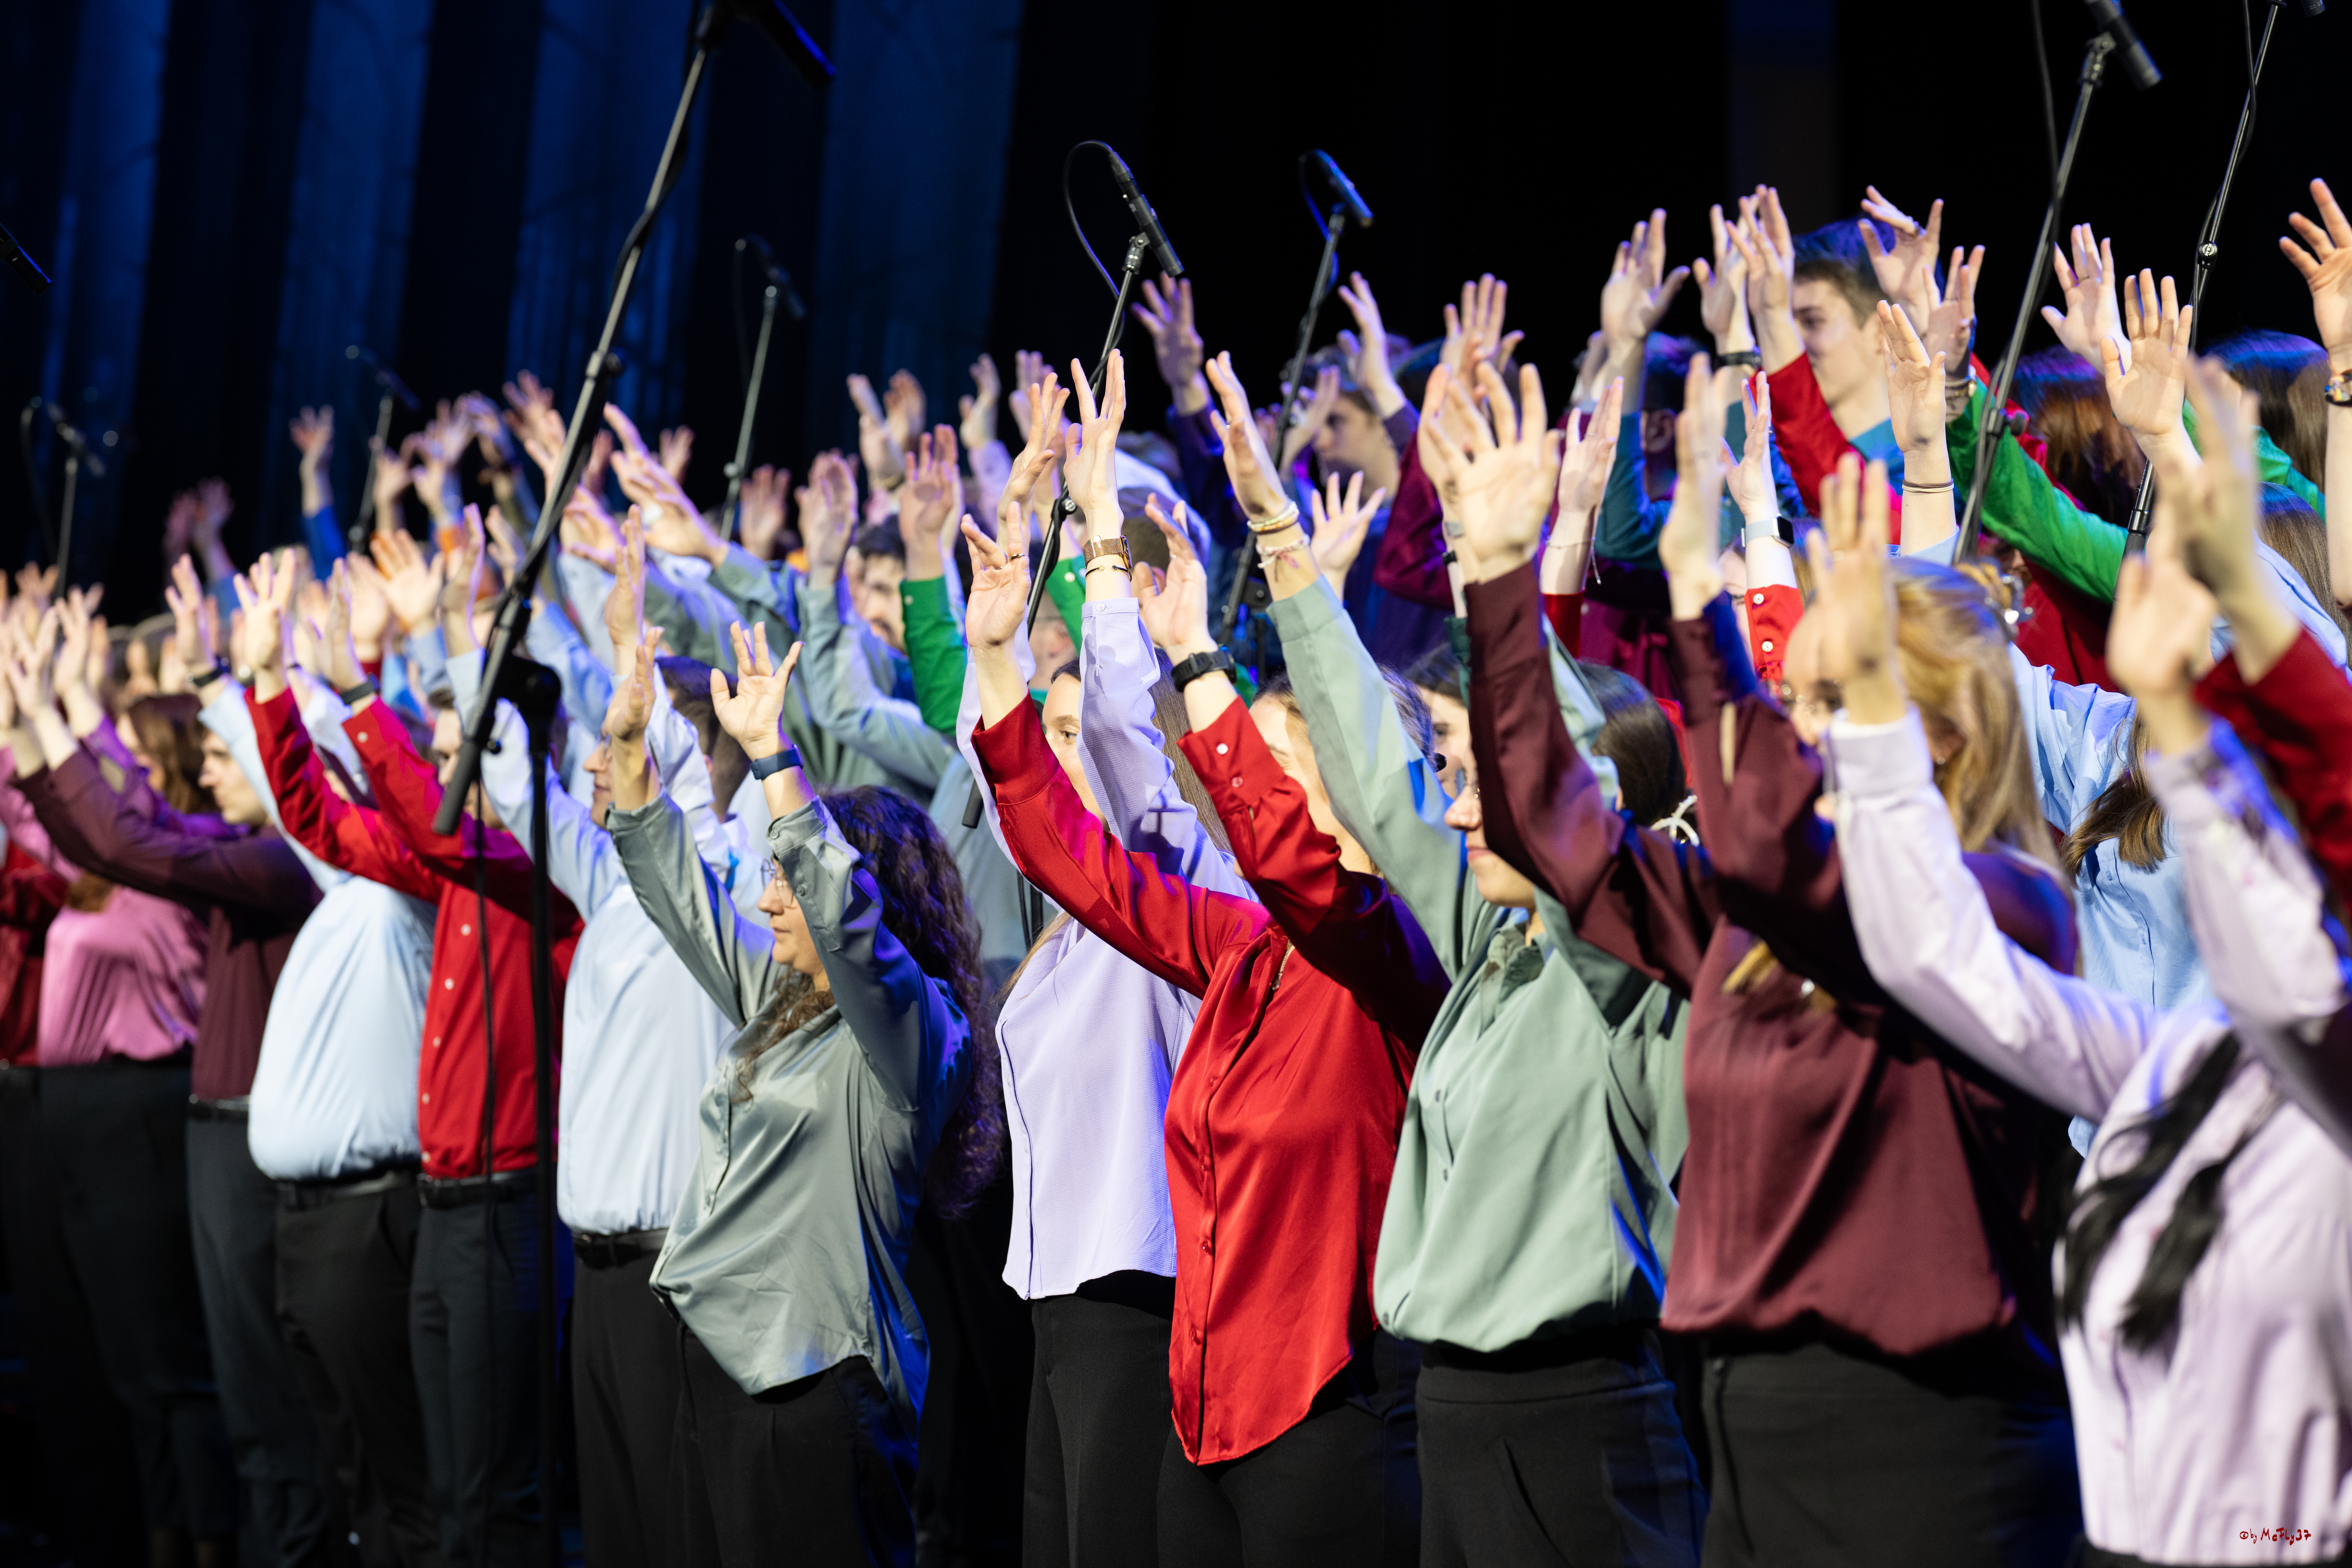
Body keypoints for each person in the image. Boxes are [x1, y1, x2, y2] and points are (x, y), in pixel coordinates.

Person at [1463, 355, 2082, 1567]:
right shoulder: (1750, 921)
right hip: (1747, 1433)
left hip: (1928, 1449)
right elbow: (1552, 831)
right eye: (1788, 697)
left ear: (1943, 733)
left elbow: (1797, 860)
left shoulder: (2004, 907)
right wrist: (1497, 582)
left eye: (1830, 697)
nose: (1794, 728)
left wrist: (1705, 606)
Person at [1826, 356, 2352, 1563]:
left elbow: (2311, 715)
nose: (2156, 603)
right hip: (2122, 1186)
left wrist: (2175, 459)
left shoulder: (2321, 1071)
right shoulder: (2113, 754)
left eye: (2204, 595)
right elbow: (1977, 693)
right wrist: (1922, 465)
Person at [968, 348, 1447, 1565]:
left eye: (1280, 759)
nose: (1243, 781)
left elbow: (1296, 863)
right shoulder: (1245, 948)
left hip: (1329, 1408)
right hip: (1206, 1411)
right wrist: (994, 660)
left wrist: (1196, 662)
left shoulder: (1393, 951)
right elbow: (1079, 864)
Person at [1279, 352, 1707, 1566]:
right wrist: (1287, 559)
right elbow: (1375, 778)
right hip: (1455, 1413)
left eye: (1485, 782)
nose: (1461, 810)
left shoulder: (1619, 966)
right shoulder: (1490, 945)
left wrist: (1500, 566)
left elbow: (1555, 776)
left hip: (1576, 1419)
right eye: (1460, 779)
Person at [603, 614, 993, 1568]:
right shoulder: (782, 998)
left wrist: (774, 758)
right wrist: (629, 746)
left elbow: (844, 917)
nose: (770, 897)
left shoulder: (918, 1033)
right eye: (772, 876)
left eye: (788, 878)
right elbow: (679, 895)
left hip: (815, 1390)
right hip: (715, 1372)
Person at [253, 513, 583, 1568]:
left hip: (510, 1211)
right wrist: (269, 689)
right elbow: (318, 818)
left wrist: (362, 693)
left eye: (456, 758)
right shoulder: (448, 870)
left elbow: (425, 818)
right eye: (437, 756)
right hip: (443, 1212)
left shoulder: (540, 874)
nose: (439, 776)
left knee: (493, 1500)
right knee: (448, 1497)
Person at [10, 588, 335, 1568]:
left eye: (231, 754)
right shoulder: (238, 847)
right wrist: (50, 707)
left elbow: (124, 830)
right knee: (231, 1401)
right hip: (204, 1134)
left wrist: (47, 708)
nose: (212, 767)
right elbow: (125, 818)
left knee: (254, 1403)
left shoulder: (281, 863)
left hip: (232, 1139)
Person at [442, 512, 736, 1568]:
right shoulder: (611, 877)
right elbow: (516, 786)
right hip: (599, 1274)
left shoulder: (727, 876)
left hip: (681, 1274)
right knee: (613, 1534)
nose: (599, 764)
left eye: (624, 743)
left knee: (676, 1534)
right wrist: (465, 630)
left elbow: (671, 800)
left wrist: (628, 660)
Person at [192, 551, 446, 1568]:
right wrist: (261, 676)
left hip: (370, 1220)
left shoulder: (409, 889)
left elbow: (327, 792)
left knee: (400, 1483)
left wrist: (331, 676)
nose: (328, 802)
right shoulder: (349, 893)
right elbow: (298, 797)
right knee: (352, 1478)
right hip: (307, 1224)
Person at [0, 601, 224, 1567]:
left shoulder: (177, 868)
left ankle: (207, 1545)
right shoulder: (96, 870)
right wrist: (22, 708)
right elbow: (37, 805)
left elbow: (103, 798)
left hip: (142, 1115)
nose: (104, 771)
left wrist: (68, 701)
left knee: (167, 1366)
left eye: (128, 760)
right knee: (119, 1366)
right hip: (76, 1121)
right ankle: (145, 1539)